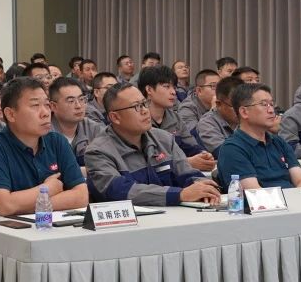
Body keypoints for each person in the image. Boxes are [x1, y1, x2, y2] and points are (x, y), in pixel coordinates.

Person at [85, 83, 220, 205]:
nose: (145, 110)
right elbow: (121, 191)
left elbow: (187, 174)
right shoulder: (98, 152)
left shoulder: (164, 138)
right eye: (137, 106)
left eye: (145, 103)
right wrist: (179, 195)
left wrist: (204, 187)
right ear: (115, 117)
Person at [0, 77, 88, 218]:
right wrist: (47, 189)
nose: (46, 113)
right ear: (10, 114)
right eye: (35, 106)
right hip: (2, 229)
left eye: (47, 105)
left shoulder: (57, 142)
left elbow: (82, 196)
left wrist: (37, 204)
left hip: (50, 225)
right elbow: (5, 206)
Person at [217, 83, 301, 190]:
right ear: (244, 112)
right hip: (264, 200)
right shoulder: (233, 149)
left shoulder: (278, 142)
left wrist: (298, 197)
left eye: (271, 104)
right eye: (264, 104)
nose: (271, 110)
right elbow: (254, 193)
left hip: (293, 198)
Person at [139, 65, 215, 171]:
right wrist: (185, 162)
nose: (173, 92)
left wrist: (204, 155)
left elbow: (191, 146)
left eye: (174, 87)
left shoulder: (175, 118)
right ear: (149, 89)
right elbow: (142, 163)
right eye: (166, 86)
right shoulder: (137, 119)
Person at [48, 76, 102, 165]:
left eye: (81, 99)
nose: (79, 106)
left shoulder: (94, 128)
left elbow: (107, 163)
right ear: (53, 106)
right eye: (71, 101)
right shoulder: (44, 134)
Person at [195, 74, 241, 153]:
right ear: (219, 104)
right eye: (235, 106)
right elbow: (226, 153)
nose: (241, 111)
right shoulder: (207, 123)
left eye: (245, 106)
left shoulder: (250, 118)